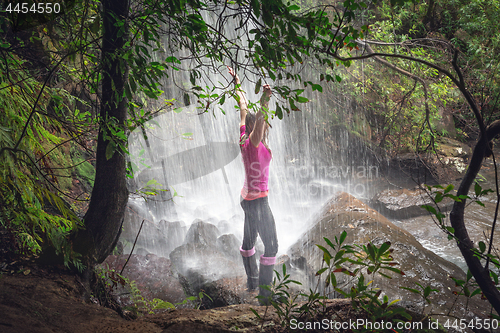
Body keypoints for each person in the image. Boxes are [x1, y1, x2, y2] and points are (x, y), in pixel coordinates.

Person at [228, 66, 278, 304]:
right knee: (272, 246)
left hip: (247, 199)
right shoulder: (254, 143)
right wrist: (265, 101)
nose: (265, 125)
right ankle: (265, 296)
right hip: (259, 201)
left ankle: (252, 281)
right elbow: (257, 117)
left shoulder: (242, 138)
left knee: (249, 241)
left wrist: (237, 82)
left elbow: (243, 108)